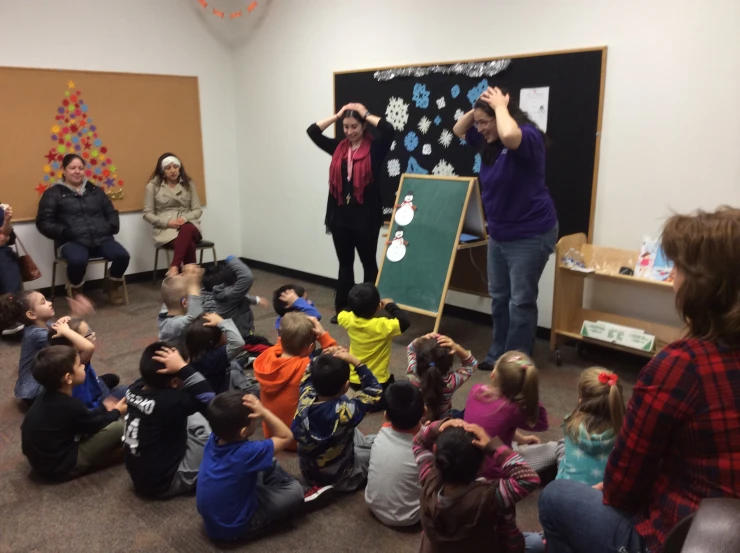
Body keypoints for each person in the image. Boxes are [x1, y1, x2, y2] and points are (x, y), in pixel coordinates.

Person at [539, 207, 740, 553]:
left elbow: (622, 487)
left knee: (556, 498)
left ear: (701, 286)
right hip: (727, 532)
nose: (672, 276)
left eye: (677, 268)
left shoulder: (680, 367)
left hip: (681, 537)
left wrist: (614, 488)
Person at [453, 87, 558, 371]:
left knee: (521, 301)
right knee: (499, 297)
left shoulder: (527, 138)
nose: (479, 128)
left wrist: (500, 107)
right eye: (479, 123)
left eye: (484, 123)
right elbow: (458, 128)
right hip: (499, 234)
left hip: (530, 234)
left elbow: (511, 136)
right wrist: (480, 109)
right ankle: (498, 353)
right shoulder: (489, 142)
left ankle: (516, 362)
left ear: (503, 116)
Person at [307, 103, 395, 323]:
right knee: (345, 263)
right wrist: (337, 115)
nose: (349, 131)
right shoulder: (338, 148)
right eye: (345, 126)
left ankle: (367, 309)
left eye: (354, 126)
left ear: (364, 125)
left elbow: (389, 129)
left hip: (366, 218)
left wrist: (366, 112)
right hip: (340, 217)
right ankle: (343, 309)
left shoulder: (376, 148)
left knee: (368, 264)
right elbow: (313, 131)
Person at [413, 419, 543, 552]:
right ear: (481, 465)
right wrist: (493, 446)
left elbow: (418, 442)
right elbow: (529, 479)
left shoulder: (429, 479)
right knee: (538, 542)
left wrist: (439, 426)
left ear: (435, 451)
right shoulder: (491, 497)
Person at [197, 391, 304, 542]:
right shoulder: (246, 453)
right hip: (236, 527)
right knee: (296, 491)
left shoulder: (214, 437)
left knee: (268, 461)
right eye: (255, 419)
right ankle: (280, 491)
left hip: (214, 520)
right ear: (243, 431)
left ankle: (266, 490)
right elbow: (286, 436)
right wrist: (264, 411)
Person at [123, 343, 215, 498]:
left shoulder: (134, 388)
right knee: (204, 423)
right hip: (166, 482)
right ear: (173, 382)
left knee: (186, 415)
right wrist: (183, 368)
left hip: (141, 475)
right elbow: (210, 399)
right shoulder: (170, 401)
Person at [21, 345, 126, 481]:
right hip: (60, 468)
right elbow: (94, 425)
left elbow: (84, 418)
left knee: (103, 419)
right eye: (79, 365)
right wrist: (117, 411)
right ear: (68, 378)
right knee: (118, 428)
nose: (83, 367)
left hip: (43, 462)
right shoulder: (69, 405)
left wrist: (103, 408)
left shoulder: (46, 397)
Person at [36, 153, 130, 304]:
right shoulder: (53, 193)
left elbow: (111, 213)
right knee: (78, 260)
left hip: (101, 238)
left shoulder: (96, 191)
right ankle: (76, 290)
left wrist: (111, 227)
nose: (77, 171)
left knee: (122, 256)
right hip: (72, 241)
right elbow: (43, 222)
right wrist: (64, 233)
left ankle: (112, 286)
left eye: (80, 168)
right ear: (64, 170)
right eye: (72, 168)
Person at [292, 347, 382, 495]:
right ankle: (335, 487)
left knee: (351, 426)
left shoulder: (305, 395)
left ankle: (315, 484)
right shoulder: (346, 412)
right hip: (342, 475)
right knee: (378, 445)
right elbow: (375, 391)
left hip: (309, 470)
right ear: (346, 386)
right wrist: (356, 362)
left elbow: (309, 370)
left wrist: (322, 357)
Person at [253, 313, 337, 449]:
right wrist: (323, 335)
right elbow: (335, 362)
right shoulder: (307, 367)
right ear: (310, 348)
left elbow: (282, 342)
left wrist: (291, 329)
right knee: (336, 391)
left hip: (272, 434)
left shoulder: (266, 357)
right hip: (297, 440)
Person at [463, 351, 548, 479]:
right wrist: (531, 395)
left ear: (493, 375)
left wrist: (522, 439)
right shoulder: (512, 409)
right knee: (553, 449)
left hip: (468, 462)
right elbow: (542, 424)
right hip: (495, 471)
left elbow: (494, 428)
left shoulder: (476, 389)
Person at [337, 283, 410, 409]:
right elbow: (404, 321)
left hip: (354, 378)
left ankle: (358, 397)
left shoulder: (347, 319)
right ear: (377, 307)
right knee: (399, 394)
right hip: (378, 381)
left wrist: (356, 305)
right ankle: (371, 402)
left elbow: (342, 311)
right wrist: (389, 305)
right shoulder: (382, 326)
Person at [365, 381, 424, 527]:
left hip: (372, 504)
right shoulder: (428, 446)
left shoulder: (382, 431)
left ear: (386, 416)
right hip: (409, 518)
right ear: (425, 412)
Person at [554, 368, 624, 486]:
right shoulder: (623, 433)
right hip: (598, 499)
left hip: (563, 494)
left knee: (559, 448)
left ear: (580, 400)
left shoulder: (570, 425)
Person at [143, 153, 204, 277]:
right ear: (162, 171)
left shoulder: (189, 184)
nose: (172, 170)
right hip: (166, 229)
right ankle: (191, 282)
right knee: (189, 244)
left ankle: (174, 268)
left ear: (180, 168)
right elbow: (148, 214)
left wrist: (184, 218)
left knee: (187, 227)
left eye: (175, 166)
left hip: (189, 224)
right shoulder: (153, 187)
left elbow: (197, 210)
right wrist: (167, 223)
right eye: (168, 168)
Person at [48, 318, 124, 409]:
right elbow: (89, 348)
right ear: (76, 344)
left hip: (93, 387)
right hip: (96, 404)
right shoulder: (78, 359)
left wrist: (63, 324)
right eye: (89, 333)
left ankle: (101, 384)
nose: (93, 334)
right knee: (126, 390)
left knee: (113, 378)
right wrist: (66, 331)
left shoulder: (62, 358)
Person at [0, 291, 59, 404]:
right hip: (33, 391)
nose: (50, 303)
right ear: (31, 314)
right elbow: (64, 339)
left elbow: (58, 328)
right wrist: (76, 314)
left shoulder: (43, 324)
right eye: (43, 302)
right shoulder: (36, 334)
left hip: (33, 384)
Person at [406, 333, 477, 421]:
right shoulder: (451, 382)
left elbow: (410, 349)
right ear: (449, 363)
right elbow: (471, 365)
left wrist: (421, 339)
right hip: (442, 423)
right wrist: (457, 347)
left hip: (415, 421)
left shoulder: (413, 371)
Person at [186, 312, 259, 395]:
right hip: (222, 397)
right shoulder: (212, 358)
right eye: (223, 332)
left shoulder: (197, 352)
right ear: (214, 342)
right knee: (255, 391)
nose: (226, 334)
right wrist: (222, 322)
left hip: (218, 385)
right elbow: (238, 343)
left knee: (233, 364)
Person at [200, 257, 267, 340]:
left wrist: (256, 300)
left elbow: (240, 297)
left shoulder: (213, 295)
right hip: (238, 337)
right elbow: (246, 277)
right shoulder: (226, 298)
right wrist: (231, 259)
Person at [158, 264, 204, 342]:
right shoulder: (173, 324)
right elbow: (196, 318)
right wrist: (193, 284)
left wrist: (180, 278)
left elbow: (170, 291)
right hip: (180, 353)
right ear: (184, 303)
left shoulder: (164, 312)